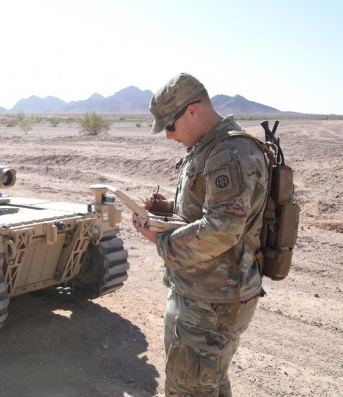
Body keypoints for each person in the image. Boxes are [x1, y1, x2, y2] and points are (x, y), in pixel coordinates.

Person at [132, 73, 268, 397]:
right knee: (207, 385)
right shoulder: (207, 147)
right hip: (203, 295)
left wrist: (162, 241)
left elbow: (222, 229)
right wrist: (167, 211)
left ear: (192, 111)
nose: (167, 136)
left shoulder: (228, 152)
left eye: (170, 126)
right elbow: (211, 211)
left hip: (211, 303)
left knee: (189, 390)